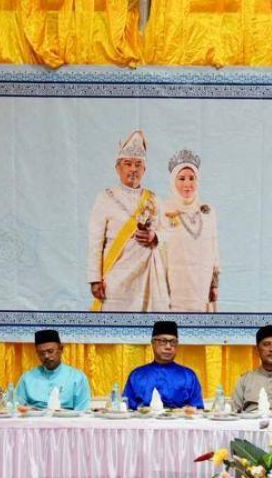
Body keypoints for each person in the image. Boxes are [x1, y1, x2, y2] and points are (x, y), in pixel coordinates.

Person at [87, 130, 169, 313]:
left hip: (148, 280)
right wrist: (94, 279)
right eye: (128, 164)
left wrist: (154, 236)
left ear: (144, 169)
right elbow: (95, 242)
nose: (133, 169)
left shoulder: (153, 200)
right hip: (116, 280)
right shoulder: (105, 198)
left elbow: (168, 233)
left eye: (138, 164)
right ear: (118, 168)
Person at [160, 149, 220, 312]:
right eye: (181, 178)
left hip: (202, 286)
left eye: (191, 178)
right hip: (175, 287)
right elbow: (160, 253)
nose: (187, 184)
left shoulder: (208, 211)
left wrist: (214, 284)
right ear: (173, 181)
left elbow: (214, 249)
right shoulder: (164, 210)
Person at [123, 321, 204, 410]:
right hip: (144, 423)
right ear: (153, 343)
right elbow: (126, 409)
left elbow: (198, 411)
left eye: (173, 342)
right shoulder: (137, 375)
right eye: (163, 341)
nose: (168, 347)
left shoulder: (188, 376)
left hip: (179, 423)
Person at [13, 330, 92, 411]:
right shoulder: (27, 378)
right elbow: (16, 406)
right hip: (34, 421)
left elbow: (83, 411)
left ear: (61, 349)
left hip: (66, 421)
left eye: (50, 351)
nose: (46, 356)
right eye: (41, 353)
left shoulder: (77, 377)